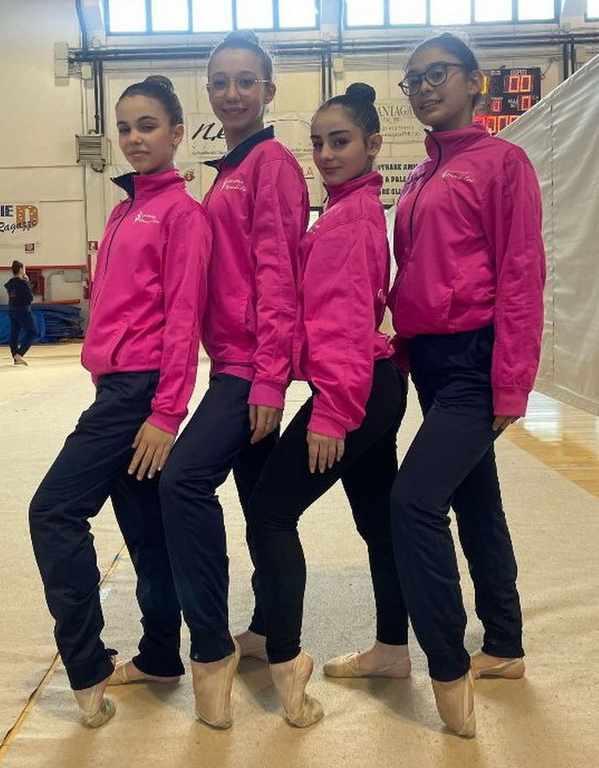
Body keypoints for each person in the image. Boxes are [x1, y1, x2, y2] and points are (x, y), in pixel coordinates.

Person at [29, 75, 211, 728]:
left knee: (53, 512)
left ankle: (86, 667)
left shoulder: (183, 215)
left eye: (148, 126)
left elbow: (183, 317)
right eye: (126, 127)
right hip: (116, 386)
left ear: (177, 133)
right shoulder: (123, 209)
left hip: (138, 394)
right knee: (145, 530)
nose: (135, 138)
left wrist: (166, 411)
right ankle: (160, 655)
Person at [388, 33, 546, 737]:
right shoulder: (420, 175)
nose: (424, 88)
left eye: (438, 74)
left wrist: (511, 384)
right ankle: (504, 643)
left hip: (476, 362)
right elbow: (415, 272)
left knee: (414, 502)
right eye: (413, 80)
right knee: (476, 500)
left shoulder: (503, 163)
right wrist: (400, 343)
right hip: (431, 359)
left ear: (475, 82)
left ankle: (447, 664)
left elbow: (522, 274)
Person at [156, 30, 309, 730]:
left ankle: (211, 647)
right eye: (220, 81)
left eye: (246, 81)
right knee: (262, 510)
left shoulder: (270, 162)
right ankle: (273, 634)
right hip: (233, 360)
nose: (232, 93)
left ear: (268, 91)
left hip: (250, 368)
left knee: (182, 480)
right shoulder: (231, 168)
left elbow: (279, 273)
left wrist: (269, 380)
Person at [246, 83, 409, 728]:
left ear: (374, 144)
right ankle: (392, 648)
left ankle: (286, 657)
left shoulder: (349, 220)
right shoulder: (348, 210)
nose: (326, 155)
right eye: (317, 143)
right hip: (371, 383)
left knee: (270, 512)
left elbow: (343, 319)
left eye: (340, 142)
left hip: (353, 390)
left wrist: (334, 410)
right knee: (379, 525)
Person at [4, 260, 36, 365]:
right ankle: (20, 353)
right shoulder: (23, 283)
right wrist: (27, 282)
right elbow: (30, 297)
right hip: (23, 310)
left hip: (12, 309)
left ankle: (15, 356)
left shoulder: (10, 283)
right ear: (21, 269)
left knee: (14, 334)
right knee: (32, 332)